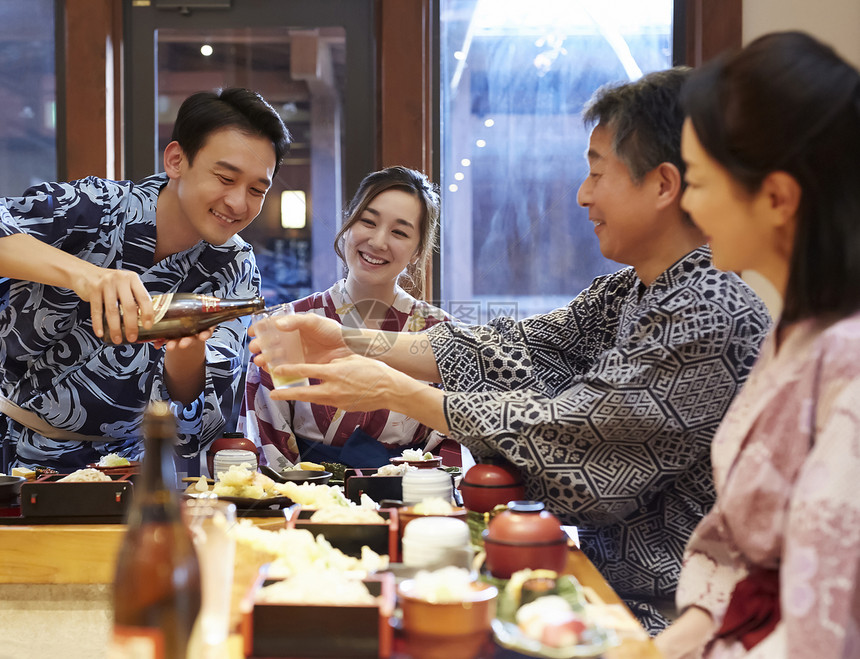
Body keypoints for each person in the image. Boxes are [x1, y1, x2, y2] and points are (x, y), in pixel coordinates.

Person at [250, 69, 771, 631]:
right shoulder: (626, 290)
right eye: (368, 222)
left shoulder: (710, 307)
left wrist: (395, 390)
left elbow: (579, 433)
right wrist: (350, 338)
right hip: (600, 585)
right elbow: (514, 347)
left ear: (664, 184)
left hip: (680, 616)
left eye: (597, 172)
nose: (583, 194)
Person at [653, 32, 860, 658]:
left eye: (699, 182)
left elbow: (824, 623)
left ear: (776, 197)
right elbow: (735, 551)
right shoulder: (796, 332)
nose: (687, 204)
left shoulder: (848, 357)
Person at [0, 87, 290, 472]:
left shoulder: (235, 267)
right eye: (225, 178)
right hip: (12, 447)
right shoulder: (96, 207)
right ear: (176, 160)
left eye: (257, 190)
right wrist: (86, 275)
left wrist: (184, 350)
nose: (238, 203)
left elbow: (196, 400)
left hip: (126, 465)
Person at [238, 166, 453, 471]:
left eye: (399, 232)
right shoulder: (288, 323)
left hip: (410, 498)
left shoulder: (440, 333)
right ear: (349, 222)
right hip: (308, 500)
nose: (378, 242)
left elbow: (451, 438)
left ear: (418, 250)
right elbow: (267, 438)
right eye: (368, 221)